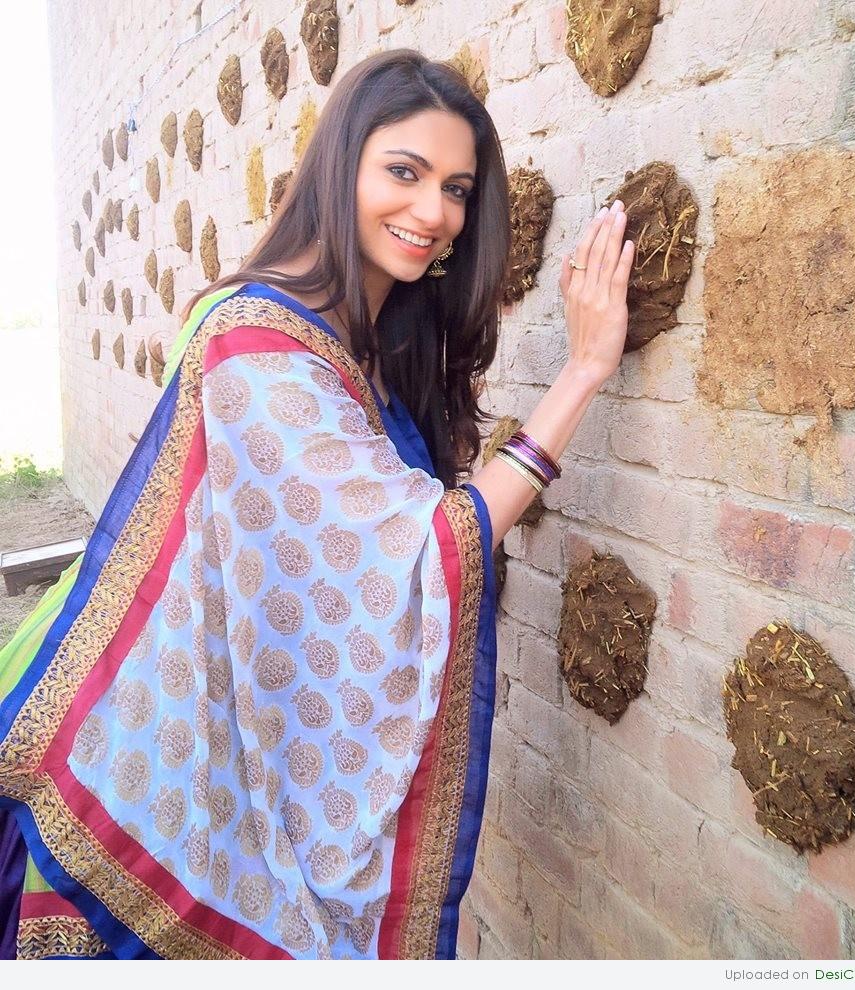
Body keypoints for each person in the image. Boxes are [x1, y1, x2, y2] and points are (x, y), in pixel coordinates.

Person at [0, 48, 633, 959]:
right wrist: (582, 372)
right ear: (342, 166)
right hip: (160, 770)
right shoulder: (258, 345)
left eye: (456, 189)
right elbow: (419, 557)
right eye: (404, 172)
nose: (434, 213)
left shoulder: (367, 339)